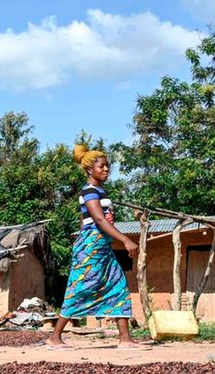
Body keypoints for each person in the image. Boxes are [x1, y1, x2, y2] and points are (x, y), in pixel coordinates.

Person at [46, 145, 147, 350]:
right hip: (91, 249)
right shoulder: (89, 191)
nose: (106, 169)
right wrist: (126, 240)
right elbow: (99, 220)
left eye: (107, 166)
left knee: (118, 286)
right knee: (81, 288)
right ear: (89, 169)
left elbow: (86, 222)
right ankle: (54, 338)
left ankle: (125, 340)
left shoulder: (101, 192)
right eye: (102, 166)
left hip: (103, 249)